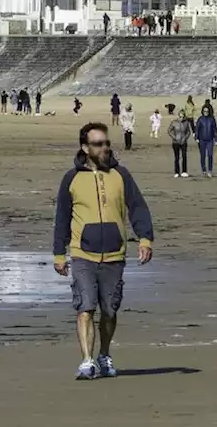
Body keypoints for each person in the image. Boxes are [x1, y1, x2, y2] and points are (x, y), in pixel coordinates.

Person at [53, 122, 154, 380]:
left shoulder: (121, 175)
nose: (105, 148)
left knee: (109, 310)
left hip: (114, 254)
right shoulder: (71, 178)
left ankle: (104, 354)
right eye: (98, 144)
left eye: (107, 143)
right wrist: (59, 254)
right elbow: (62, 217)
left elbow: (138, 207)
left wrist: (145, 239)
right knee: (85, 307)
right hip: (82, 255)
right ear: (85, 148)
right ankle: (87, 361)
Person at [195, 103, 217, 177]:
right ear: (202, 111)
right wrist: (196, 138)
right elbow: (197, 129)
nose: (206, 113)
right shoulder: (200, 119)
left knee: (210, 155)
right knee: (202, 155)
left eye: (207, 111)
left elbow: (215, 130)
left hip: (210, 140)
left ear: (209, 112)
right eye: (204, 111)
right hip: (202, 140)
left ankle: (210, 170)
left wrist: (216, 139)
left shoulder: (212, 119)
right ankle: (204, 170)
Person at [168, 109, 192, 177]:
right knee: (176, 158)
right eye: (180, 116)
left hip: (183, 142)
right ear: (178, 116)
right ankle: (176, 172)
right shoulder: (174, 122)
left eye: (183, 116)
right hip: (176, 142)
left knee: (184, 156)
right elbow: (169, 131)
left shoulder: (186, 123)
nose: (181, 118)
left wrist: (185, 138)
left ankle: (184, 171)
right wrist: (174, 137)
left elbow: (188, 132)